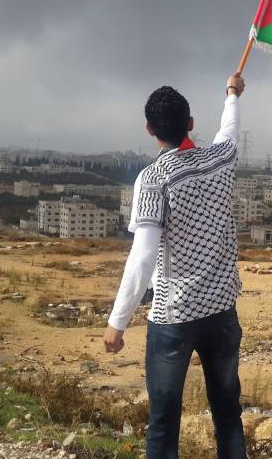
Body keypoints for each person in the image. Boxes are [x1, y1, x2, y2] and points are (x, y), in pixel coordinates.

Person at [103, 72, 247, 459]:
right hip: (222, 311)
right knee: (228, 415)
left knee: (164, 423)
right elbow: (229, 131)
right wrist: (232, 94)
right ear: (191, 124)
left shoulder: (153, 180)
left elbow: (143, 256)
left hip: (173, 317)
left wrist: (118, 322)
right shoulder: (220, 160)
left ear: (150, 129)